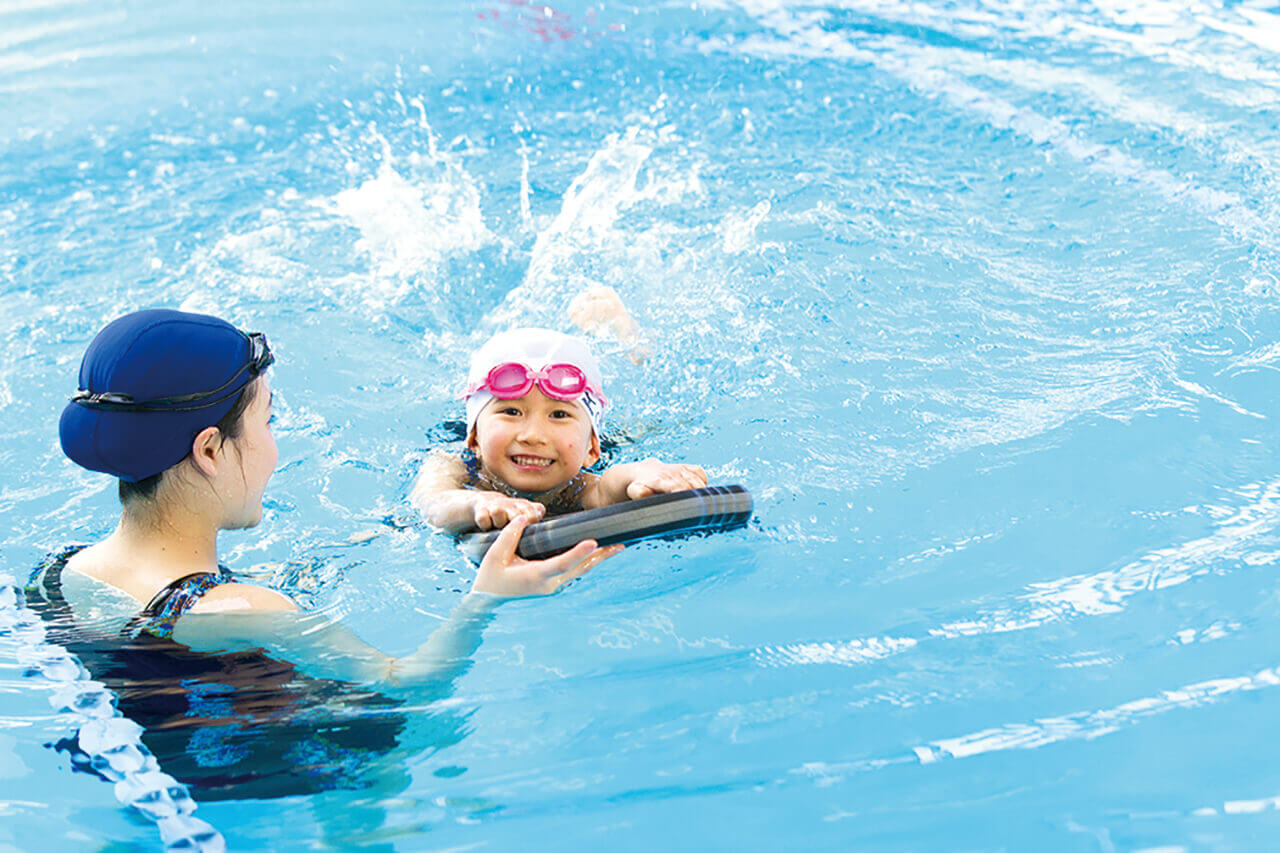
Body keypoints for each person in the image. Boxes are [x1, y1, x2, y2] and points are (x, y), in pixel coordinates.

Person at [409, 325, 707, 535]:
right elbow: (434, 502)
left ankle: (626, 336)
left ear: (592, 449)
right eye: (511, 411)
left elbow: (605, 489)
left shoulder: (575, 484)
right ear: (473, 438)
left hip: (582, 449)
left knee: (639, 432)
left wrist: (641, 474)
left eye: (559, 413)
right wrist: (475, 502)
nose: (533, 435)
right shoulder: (452, 464)